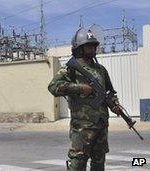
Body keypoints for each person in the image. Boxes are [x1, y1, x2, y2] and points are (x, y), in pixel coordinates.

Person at [48, 28, 122, 171]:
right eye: (88, 46)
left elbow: (110, 92)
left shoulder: (101, 69)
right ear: (80, 48)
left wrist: (115, 105)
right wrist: (80, 88)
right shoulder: (71, 67)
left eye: (94, 45)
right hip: (82, 127)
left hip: (101, 124)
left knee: (99, 162)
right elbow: (53, 87)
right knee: (77, 163)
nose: (92, 48)